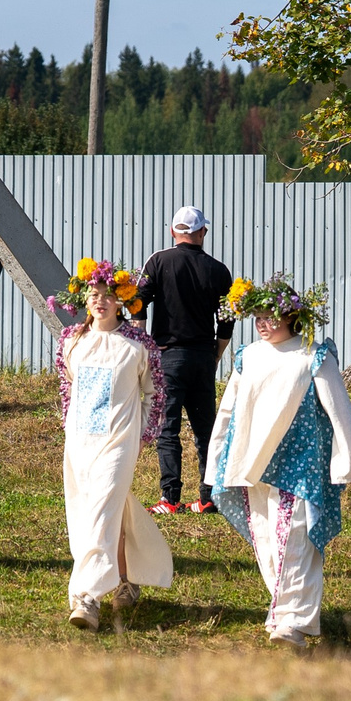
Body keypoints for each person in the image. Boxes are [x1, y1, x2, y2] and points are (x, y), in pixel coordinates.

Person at [205, 273, 351, 646]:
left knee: (296, 539)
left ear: (292, 317)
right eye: (258, 318)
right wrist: (216, 459)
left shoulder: (313, 355)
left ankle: (291, 623)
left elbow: (339, 410)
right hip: (252, 461)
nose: (263, 324)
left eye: (271, 317)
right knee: (267, 538)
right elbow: (229, 410)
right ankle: (285, 612)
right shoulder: (249, 356)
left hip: (300, 461)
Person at [53, 256, 173, 631]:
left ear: (122, 299)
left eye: (108, 294)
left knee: (104, 508)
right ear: (84, 298)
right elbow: (66, 387)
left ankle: (87, 598)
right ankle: (125, 578)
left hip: (120, 440)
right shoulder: (71, 339)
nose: (100, 300)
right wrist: (68, 426)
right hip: (80, 440)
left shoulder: (139, 343)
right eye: (94, 293)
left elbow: (157, 393)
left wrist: (144, 435)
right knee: (90, 512)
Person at [140, 205, 235, 516]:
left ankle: (170, 498)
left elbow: (137, 301)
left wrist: (144, 345)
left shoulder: (158, 261)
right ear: (203, 232)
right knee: (205, 429)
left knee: (168, 429)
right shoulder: (219, 270)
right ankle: (208, 497)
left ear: (172, 232)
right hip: (203, 356)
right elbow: (227, 318)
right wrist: (216, 354)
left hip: (167, 357)